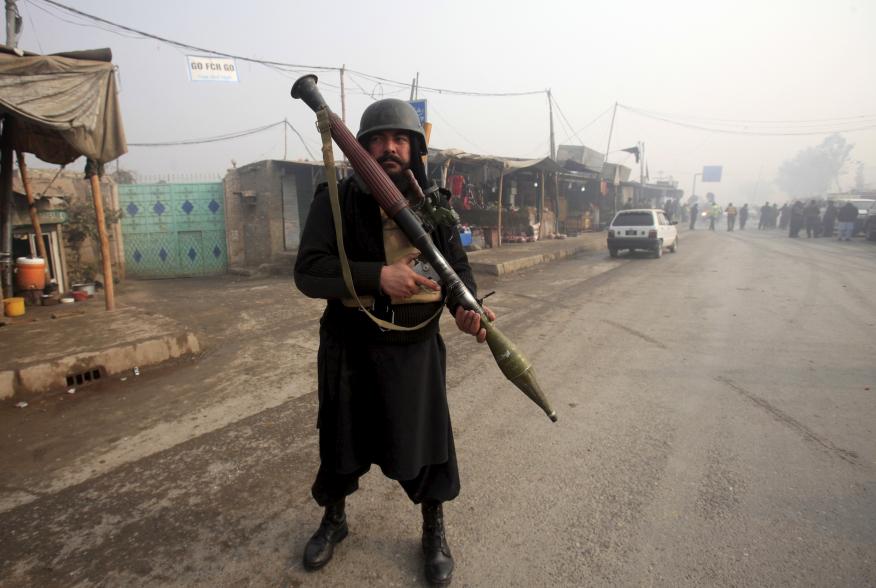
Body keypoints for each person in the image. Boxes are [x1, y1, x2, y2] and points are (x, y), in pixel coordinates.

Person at [293, 98, 494, 585]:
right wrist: (376, 277)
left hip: (415, 350)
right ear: (361, 148)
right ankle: (334, 520)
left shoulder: (436, 207)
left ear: (415, 150)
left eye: (400, 139)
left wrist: (467, 311)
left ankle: (433, 528)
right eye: (378, 140)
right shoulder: (335, 201)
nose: (389, 149)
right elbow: (309, 272)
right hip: (350, 345)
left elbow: (455, 275)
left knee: (426, 444)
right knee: (341, 440)